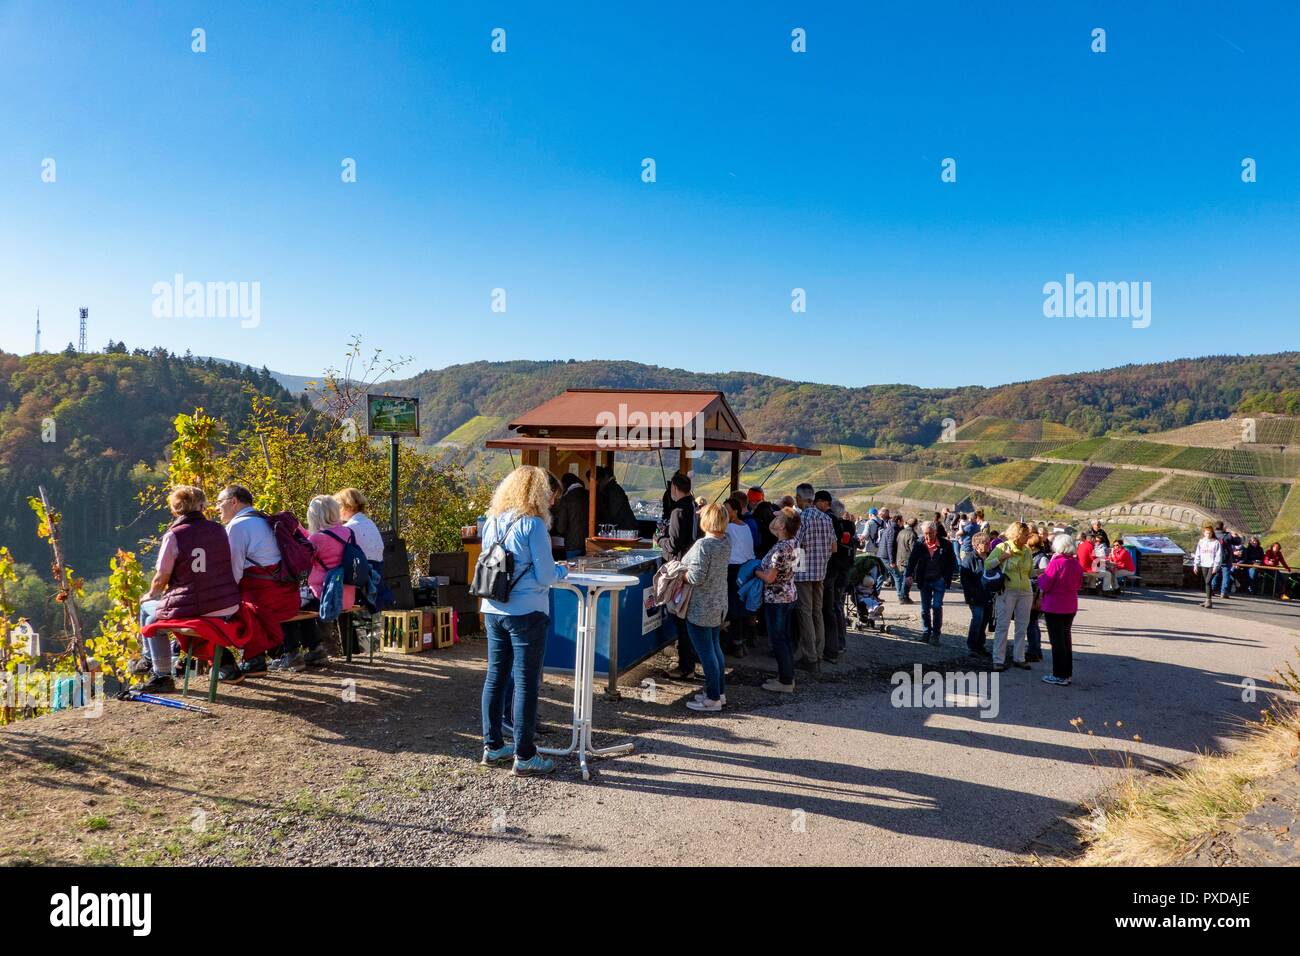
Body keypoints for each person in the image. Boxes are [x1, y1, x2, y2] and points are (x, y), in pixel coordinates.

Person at [478, 465, 568, 775]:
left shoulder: (492, 521)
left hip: (493, 609)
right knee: (526, 683)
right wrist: (562, 571)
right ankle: (525, 755)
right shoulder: (534, 525)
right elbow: (545, 575)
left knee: (495, 678)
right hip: (527, 611)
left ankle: (492, 746)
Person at [136, 485, 241, 692]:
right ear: (201, 506)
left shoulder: (174, 535)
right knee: (153, 619)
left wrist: (150, 594)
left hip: (194, 607)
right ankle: (156, 667)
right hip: (225, 604)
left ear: (175, 509)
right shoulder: (219, 529)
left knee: (147, 611)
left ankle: (157, 670)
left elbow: (162, 577)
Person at [217, 485, 301, 679]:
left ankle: (252, 660)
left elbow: (233, 571)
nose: (217, 507)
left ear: (234, 502)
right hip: (288, 595)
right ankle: (256, 658)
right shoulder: (265, 520)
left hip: (263, 598)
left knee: (228, 607)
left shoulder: (237, 526)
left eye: (220, 502)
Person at [274, 495, 357, 671]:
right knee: (304, 606)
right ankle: (316, 649)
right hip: (347, 595)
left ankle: (292, 653)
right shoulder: (348, 532)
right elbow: (319, 541)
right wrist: (302, 530)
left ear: (315, 515)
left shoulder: (317, 539)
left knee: (286, 605)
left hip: (326, 597)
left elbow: (302, 562)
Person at [682, 503, 731, 712]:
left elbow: (696, 577)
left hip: (702, 605)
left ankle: (712, 699)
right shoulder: (726, 541)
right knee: (715, 649)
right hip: (718, 603)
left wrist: (680, 575)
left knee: (706, 654)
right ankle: (719, 692)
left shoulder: (703, 545)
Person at [754, 507, 800, 693]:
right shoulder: (794, 542)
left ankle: (785, 680)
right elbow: (774, 528)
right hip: (789, 593)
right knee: (785, 638)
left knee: (778, 639)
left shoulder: (781, 548)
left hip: (777, 598)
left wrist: (755, 571)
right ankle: (786, 675)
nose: (775, 520)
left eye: (779, 518)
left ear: (782, 525)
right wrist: (782, 517)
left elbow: (770, 577)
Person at [660, 473, 700, 678]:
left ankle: (686, 667)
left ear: (674, 488)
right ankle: (689, 663)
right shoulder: (692, 507)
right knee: (684, 618)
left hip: (677, 568)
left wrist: (659, 540)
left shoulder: (677, 511)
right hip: (688, 565)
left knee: (679, 617)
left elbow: (673, 544)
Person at [792, 483, 835, 671]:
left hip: (804, 573)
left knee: (805, 613)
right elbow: (833, 547)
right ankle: (818, 652)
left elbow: (796, 546)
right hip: (821, 572)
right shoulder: (827, 519)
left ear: (799, 499)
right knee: (818, 612)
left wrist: (795, 570)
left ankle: (809, 657)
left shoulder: (802, 518)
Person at [1036, 533, 1084, 686]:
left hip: (1055, 605)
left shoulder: (1056, 563)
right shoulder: (1075, 563)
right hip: (1070, 605)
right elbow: (1079, 584)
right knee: (1065, 640)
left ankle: (1059, 674)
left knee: (1057, 642)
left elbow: (1045, 584)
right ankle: (1066, 673)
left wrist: (1040, 578)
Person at [985, 521, 1034, 671]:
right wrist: (1003, 557)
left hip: (1025, 591)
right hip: (1007, 590)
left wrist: (1046, 572)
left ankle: (1019, 658)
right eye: (1026, 535)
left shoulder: (1027, 551)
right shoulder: (1002, 547)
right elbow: (987, 565)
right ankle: (998, 659)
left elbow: (1030, 572)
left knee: (1022, 626)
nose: (1028, 538)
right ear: (1018, 534)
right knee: (1002, 625)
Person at [905, 520, 956, 645]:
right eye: (926, 534)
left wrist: (946, 578)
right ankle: (926, 632)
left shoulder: (946, 544)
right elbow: (912, 560)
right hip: (925, 580)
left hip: (939, 580)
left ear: (936, 532)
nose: (928, 536)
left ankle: (936, 635)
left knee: (937, 606)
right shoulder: (919, 543)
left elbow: (952, 562)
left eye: (930, 533)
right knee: (924, 608)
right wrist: (908, 575)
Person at [724, 492, 757, 656]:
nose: (725, 512)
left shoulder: (729, 527)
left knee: (733, 607)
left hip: (733, 569)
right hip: (747, 569)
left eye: (727, 510)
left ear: (735, 511)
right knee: (741, 606)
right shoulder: (746, 526)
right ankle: (742, 641)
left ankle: (735, 643)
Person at [959, 531, 992, 656]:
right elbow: (965, 580)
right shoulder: (969, 559)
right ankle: (972, 646)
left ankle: (980, 645)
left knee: (985, 620)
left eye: (989, 542)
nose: (989, 544)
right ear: (977, 545)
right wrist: (971, 595)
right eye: (986, 543)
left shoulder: (990, 556)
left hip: (988, 595)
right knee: (978, 619)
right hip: (975, 595)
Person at [551, 473, 590, 559]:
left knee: (573, 570)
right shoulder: (590, 495)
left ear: (565, 485)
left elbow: (561, 528)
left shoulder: (566, 499)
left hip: (573, 545)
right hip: (591, 544)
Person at [595, 466, 638, 532]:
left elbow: (612, 513)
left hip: (624, 529)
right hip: (626, 527)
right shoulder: (614, 488)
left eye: (600, 479)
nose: (599, 482)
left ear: (606, 476)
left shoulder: (611, 490)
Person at [1193, 523, 1223, 609]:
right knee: (1207, 583)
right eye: (1206, 533)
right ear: (1204, 533)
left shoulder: (1216, 542)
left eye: (1209, 533)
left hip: (1212, 564)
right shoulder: (1201, 542)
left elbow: (1218, 555)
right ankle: (1207, 600)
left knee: (1207, 581)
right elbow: (1198, 553)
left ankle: (1209, 601)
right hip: (1204, 563)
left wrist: (1216, 566)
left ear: (1212, 533)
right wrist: (1195, 564)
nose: (1208, 534)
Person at [894, 516, 917, 603]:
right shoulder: (912, 534)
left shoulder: (901, 532)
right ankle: (903, 596)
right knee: (907, 578)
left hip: (900, 557)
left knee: (904, 577)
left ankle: (904, 595)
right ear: (916, 525)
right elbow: (913, 548)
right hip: (908, 558)